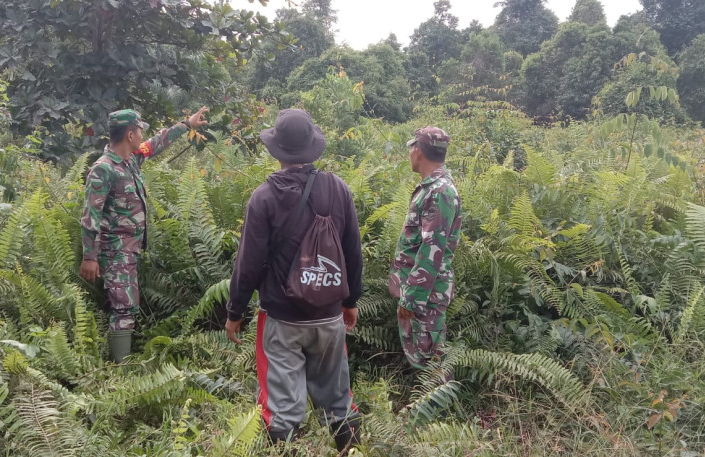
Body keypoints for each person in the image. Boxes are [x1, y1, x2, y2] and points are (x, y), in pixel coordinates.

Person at [224, 109, 363, 455]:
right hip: (330, 317)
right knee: (338, 399)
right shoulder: (338, 189)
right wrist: (350, 302)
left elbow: (249, 262)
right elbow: (352, 252)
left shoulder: (264, 197)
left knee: (282, 410)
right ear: (312, 147)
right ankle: (352, 450)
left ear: (277, 150)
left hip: (282, 320)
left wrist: (235, 311)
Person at [80, 106, 209, 362]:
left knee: (125, 304)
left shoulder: (131, 160)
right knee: (124, 307)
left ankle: (121, 364)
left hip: (130, 249)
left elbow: (156, 143)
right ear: (129, 134)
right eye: (139, 130)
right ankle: (122, 374)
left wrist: (187, 124)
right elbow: (90, 216)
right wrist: (89, 257)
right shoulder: (103, 169)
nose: (142, 135)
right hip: (115, 250)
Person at [389, 127, 463, 369]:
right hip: (422, 293)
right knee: (422, 358)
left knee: (431, 362)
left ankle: (438, 407)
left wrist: (411, 300)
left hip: (425, 297)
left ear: (418, 151)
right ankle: (426, 405)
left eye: (411, 148)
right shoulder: (431, 188)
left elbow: (432, 250)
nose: (410, 153)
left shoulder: (439, 191)